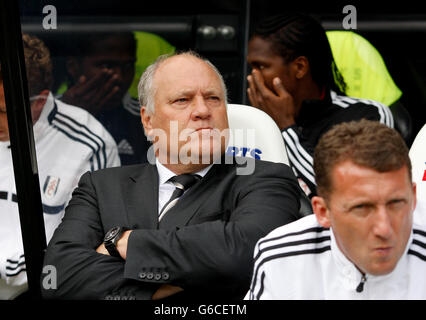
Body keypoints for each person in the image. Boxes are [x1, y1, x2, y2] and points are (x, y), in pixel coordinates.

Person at [41, 51, 304, 300]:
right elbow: (59, 276)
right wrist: (163, 286)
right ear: (148, 120)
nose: (203, 110)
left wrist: (123, 241)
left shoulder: (267, 179)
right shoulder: (101, 186)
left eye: (213, 98)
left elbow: (247, 253)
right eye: (183, 100)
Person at [0, 34, 120, 300]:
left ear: (39, 101)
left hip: (43, 292)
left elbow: (89, 248)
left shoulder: (91, 145)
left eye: (1, 110)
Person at [246, 119, 426, 299]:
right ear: (323, 212)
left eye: (396, 203)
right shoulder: (280, 260)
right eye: (362, 208)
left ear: (413, 197)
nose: (384, 229)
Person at [246, 13, 394, 198]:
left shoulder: (366, 115)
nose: (252, 77)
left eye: (261, 67)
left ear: (300, 67)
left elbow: (347, 194)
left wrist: (285, 128)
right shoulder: (249, 120)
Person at [60, 31, 150, 165]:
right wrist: (68, 115)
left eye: (127, 66)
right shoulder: (44, 113)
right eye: (106, 66)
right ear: (73, 67)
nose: (118, 77)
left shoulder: (145, 119)